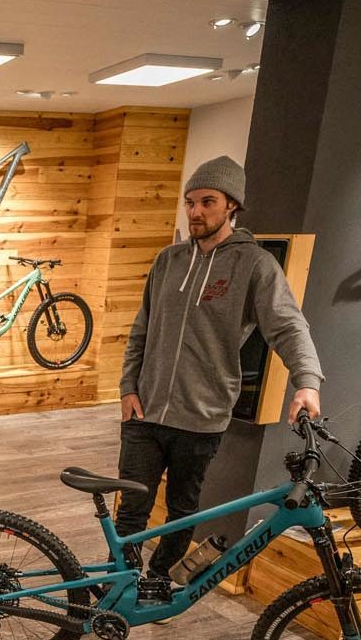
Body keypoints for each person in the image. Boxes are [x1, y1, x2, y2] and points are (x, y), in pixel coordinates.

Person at [117, 156, 323, 599]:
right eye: (189, 202)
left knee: (182, 511)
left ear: (232, 205)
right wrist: (128, 387)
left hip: (202, 417)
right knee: (131, 508)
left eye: (207, 202)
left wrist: (307, 381)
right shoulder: (169, 260)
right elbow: (141, 329)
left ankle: (156, 582)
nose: (195, 212)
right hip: (144, 411)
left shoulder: (254, 265)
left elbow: (288, 327)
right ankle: (120, 585)